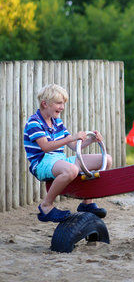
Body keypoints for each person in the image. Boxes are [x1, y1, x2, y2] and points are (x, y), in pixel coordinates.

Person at [23, 84, 112, 222]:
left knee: (106, 159)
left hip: (60, 159)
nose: (62, 107)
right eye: (59, 103)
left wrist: (91, 140)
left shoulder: (57, 122)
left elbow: (72, 145)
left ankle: (87, 203)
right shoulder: (34, 122)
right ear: (45, 104)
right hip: (42, 162)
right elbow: (45, 147)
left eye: (63, 103)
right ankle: (46, 206)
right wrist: (71, 138)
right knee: (71, 169)